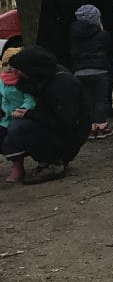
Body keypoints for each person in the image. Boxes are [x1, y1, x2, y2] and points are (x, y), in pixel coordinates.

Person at [1, 46, 90, 184]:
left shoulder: (63, 84)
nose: (16, 74)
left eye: (19, 71)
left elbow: (65, 121)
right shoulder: (41, 77)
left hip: (68, 132)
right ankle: (32, 160)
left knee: (18, 128)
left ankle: (54, 161)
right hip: (51, 121)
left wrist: (30, 114)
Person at [70, 4, 113, 139]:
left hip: (79, 70)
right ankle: (101, 126)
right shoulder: (102, 34)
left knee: (86, 100)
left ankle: (89, 127)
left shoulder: (73, 34)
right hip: (99, 70)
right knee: (100, 100)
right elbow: (109, 49)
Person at [0, 47, 35, 171]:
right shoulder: (1, 81)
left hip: (19, 116)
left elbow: (30, 99)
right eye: (5, 64)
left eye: (12, 64)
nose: (8, 67)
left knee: (12, 139)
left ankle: (18, 167)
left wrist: (23, 109)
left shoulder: (24, 81)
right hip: (4, 118)